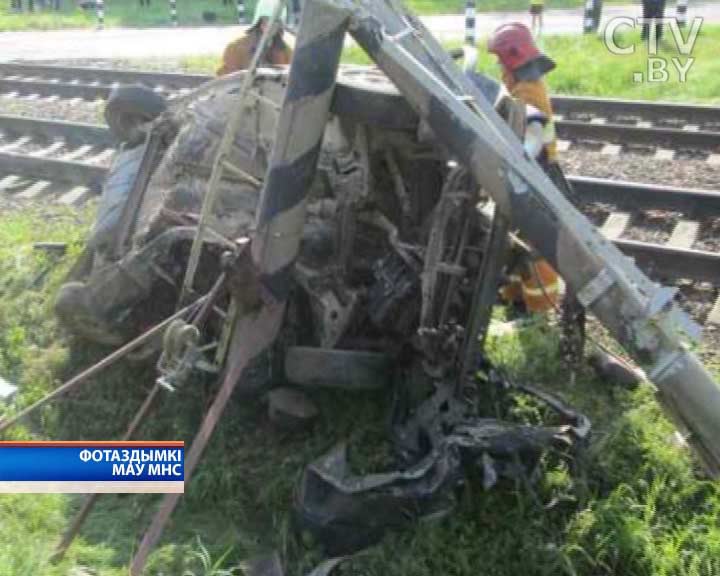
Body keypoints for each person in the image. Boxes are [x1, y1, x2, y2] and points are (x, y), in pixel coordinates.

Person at [487, 22, 584, 356]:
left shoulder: (528, 91)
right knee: (514, 241)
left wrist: (516, 165)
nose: (499, 67)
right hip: (531, 174)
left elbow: (532, 134)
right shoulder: (521, 84)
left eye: (501, 61)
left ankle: (541, 311)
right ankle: (516, 300)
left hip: (538, 176)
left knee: (537, 246)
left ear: (513, 59)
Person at [217, 0, 293, 76]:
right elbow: (225, 82)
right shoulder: (236, 48)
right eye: (265, 21)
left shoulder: (286, 52)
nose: (270, 26)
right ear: (258, 22)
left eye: (275, 23)